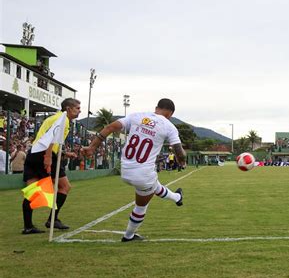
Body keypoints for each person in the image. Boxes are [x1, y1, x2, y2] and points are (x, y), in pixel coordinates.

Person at [82, 98, 186, 242]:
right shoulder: (169, 126)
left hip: (125, 169)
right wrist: (182, 161)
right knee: (141, 206)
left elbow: (110, 127)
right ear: (170, 114)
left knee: (154, 185)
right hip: (143, 174)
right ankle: (129, 236)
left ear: (156, 108)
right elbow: (179, 151)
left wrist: (92, 147)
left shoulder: (137, 116)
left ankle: (177, 197)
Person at [21, 98, 81, 234]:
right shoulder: (63, 119)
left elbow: (46, 139)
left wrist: (64, 153)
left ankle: (28, 226)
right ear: (68, 109)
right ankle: (52, 220)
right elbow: (51, 138)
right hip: (43, 154)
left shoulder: (54, 118)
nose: (79, 111)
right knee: (65, 186)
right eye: (77, 108)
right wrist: (48, 157)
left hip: (34, 153)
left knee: (33, 190)